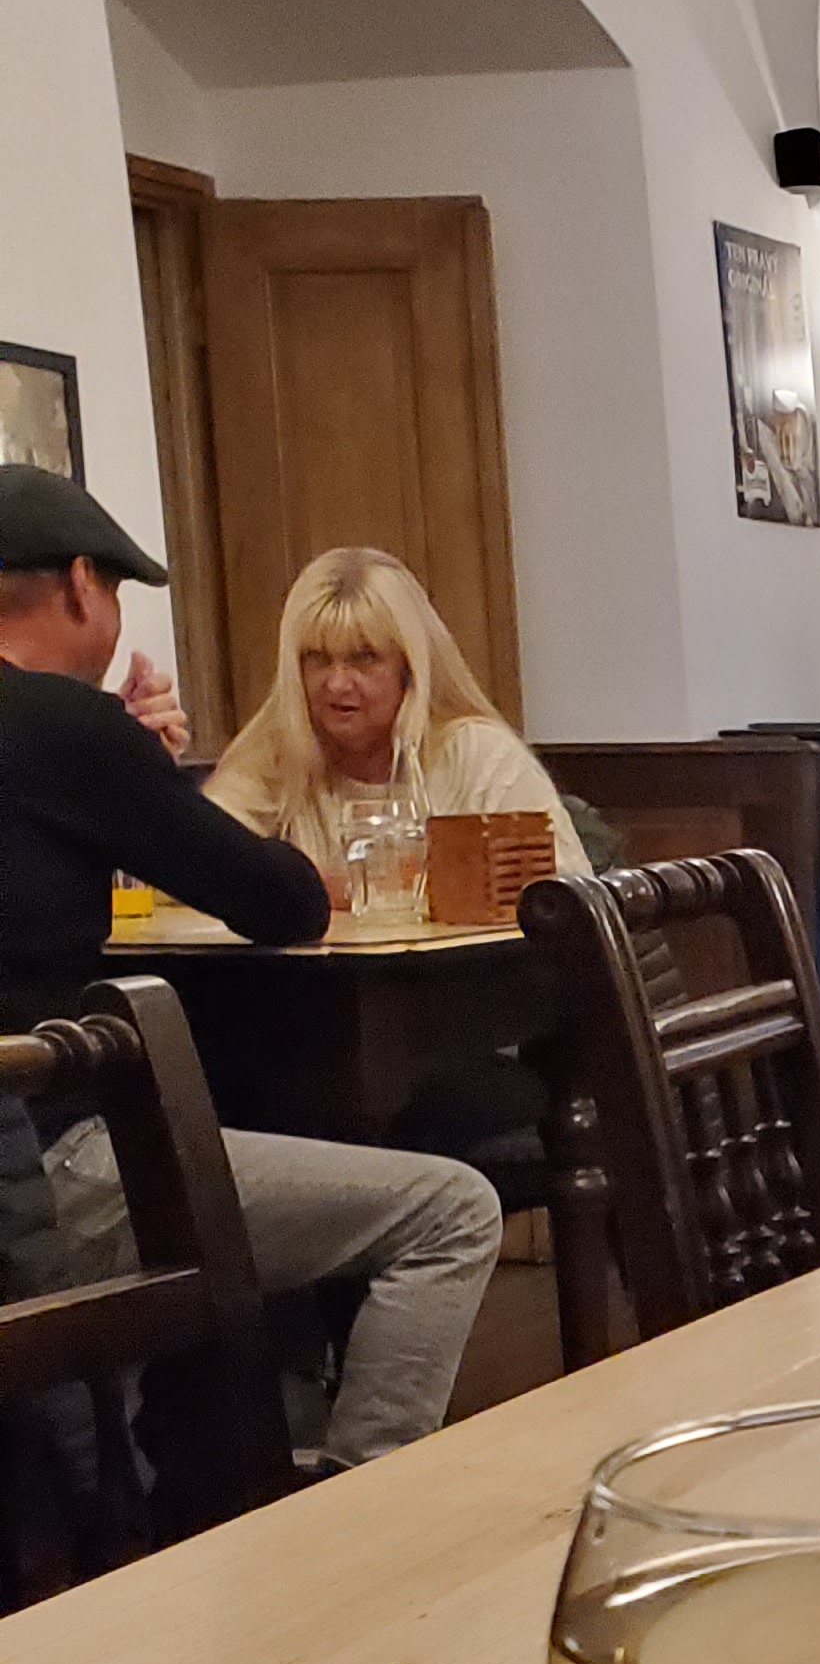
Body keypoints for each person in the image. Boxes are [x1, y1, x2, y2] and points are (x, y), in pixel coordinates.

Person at [0, 466, 500, 1465]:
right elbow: (281, 900)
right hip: (43, 1166)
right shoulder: (65, 727)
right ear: (83, 585)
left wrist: (130, 768)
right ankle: (353, 1505)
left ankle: (216, 1460)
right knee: (451, 1211)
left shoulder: (76, 738)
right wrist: (127, 757)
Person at [206, 547, 590, 885]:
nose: (337, 684)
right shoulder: (273, 756)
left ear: (409, 670)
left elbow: (565, 895)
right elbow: (197, 868)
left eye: (364, 658)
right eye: (317, 659)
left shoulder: (479, 756)